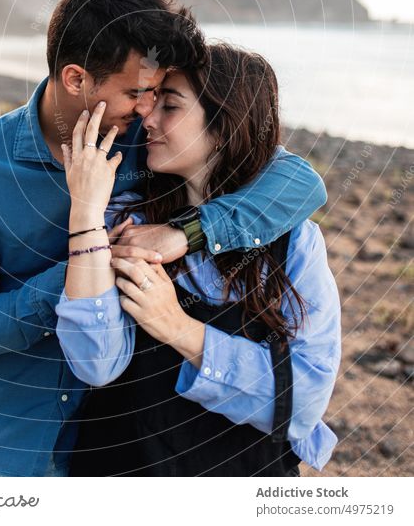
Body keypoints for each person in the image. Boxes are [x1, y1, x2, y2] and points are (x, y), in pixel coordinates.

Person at [0, 0, 327, 477]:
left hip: (122, 439)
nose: (146, 109)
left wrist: (187, 233)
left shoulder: (149, 139)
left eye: (158, 94)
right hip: (14, 442)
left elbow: (298, 180)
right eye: (136, 92)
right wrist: (85, 260)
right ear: (76, 79)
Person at [57, 43, 341, 476]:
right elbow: (95, 362)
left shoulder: (295, 243)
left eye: (169, 106)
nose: (147, 119)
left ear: (225, 125)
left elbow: (301, 405)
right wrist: (85, 213)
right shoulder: (125, 222)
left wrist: (178, 327)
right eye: (151, 103)